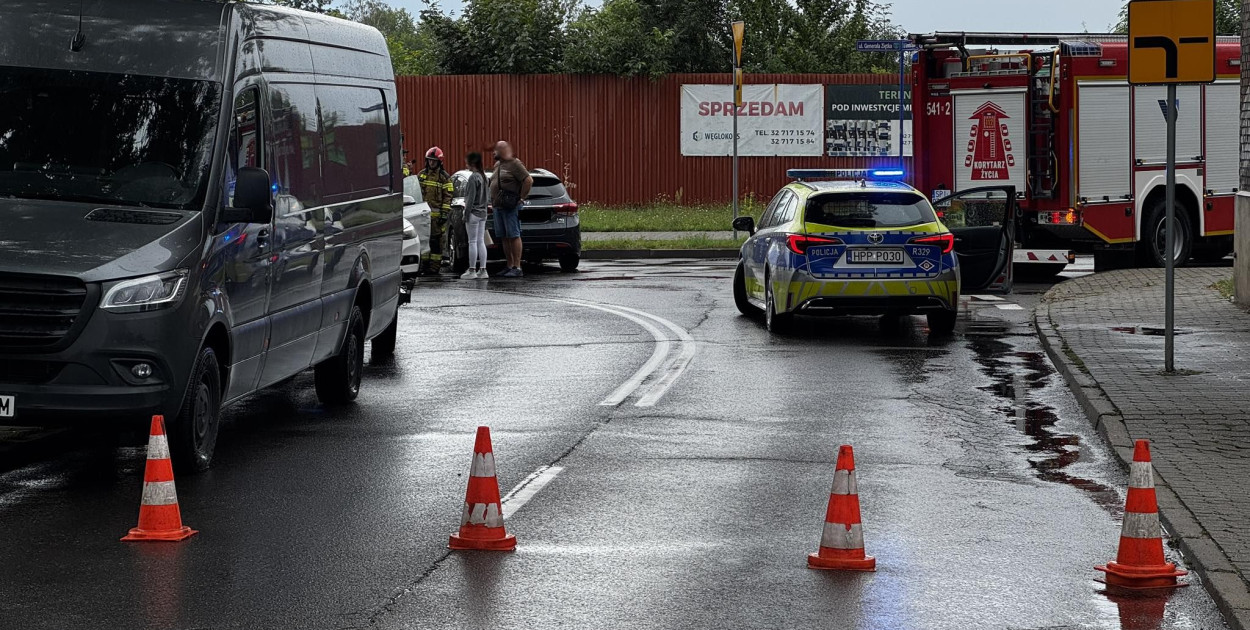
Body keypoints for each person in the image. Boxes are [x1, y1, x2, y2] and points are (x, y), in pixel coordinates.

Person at [489, 140, 532, 278]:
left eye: (495, 150)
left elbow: (528, 180)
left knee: (513, 235)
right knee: (504, 236)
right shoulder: (497, 165)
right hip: (498, 206)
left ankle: (517, 266)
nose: (493, 153)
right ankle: (509, 265)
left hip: (510, 206)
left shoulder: (515, 164)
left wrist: (521, 198)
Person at [418, 147, 454, 274]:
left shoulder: (444, 177)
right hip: (422, 216)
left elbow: (448, 196)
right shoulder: (422, 174)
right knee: (423, 241)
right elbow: (416, 192)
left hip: (437, 217)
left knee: (436, 242)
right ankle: (423, 266)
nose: (431, 163)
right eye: (429, 160)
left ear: (439, 162)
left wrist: (444, 214)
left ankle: (434, 268)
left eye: (434, 161)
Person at [460, 152, 490, 280]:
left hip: (473, 213)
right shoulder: (484, 177)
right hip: (483, 213)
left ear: (472, 164)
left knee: (472, 241)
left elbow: (470, 198)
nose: (466, 165)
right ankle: (483, 270)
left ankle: (472, 269)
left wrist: (465, 214)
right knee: (480, 241)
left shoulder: (473, 178)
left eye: (467, 162)